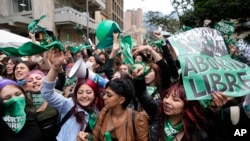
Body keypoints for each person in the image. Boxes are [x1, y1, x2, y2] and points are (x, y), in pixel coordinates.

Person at [41, 49, 104, 141]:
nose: (84, 96)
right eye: (80, 92)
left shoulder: (99, 110)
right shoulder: (68, 104)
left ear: (95, 94)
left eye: (89, 92)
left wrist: (89, 137)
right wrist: (55, 67)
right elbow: (47, 93)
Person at [25, 69, 59, 141]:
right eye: (30, 81)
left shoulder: (57, 95)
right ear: (27, 87)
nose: (34, 81)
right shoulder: (24, 101)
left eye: (39, 78)